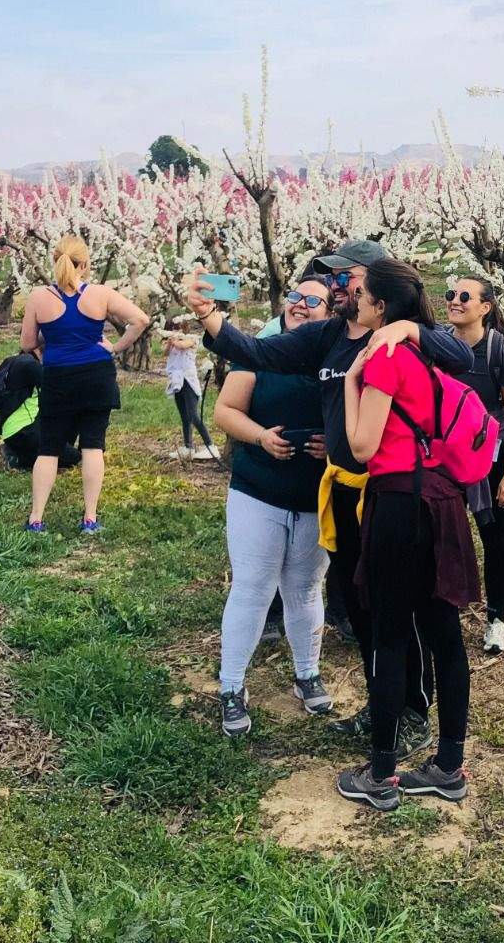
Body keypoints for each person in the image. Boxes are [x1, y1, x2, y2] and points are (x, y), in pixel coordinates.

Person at [184, 239, 473, 760]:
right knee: (362, 609)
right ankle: (382, 708)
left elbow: (462, 354)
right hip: (343, 491)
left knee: (400, 616)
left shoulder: (408, 337)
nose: (338, 285)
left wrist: (412, 328)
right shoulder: (328, 337)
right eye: (334, 278)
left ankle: (411, 713)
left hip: (393, 493)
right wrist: (209, 317)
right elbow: (257, 352)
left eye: (346, 277)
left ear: (375, 283)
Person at [335, 258, 481, 810]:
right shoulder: (420, 351)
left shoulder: (383, 356)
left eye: (361, 294)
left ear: (380, 306)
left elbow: (363, 446)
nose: (354, 300)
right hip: (441, 499)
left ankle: (380, 775)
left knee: (390, 634)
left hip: (397, 501)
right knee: (443, 631)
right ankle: (448, 765)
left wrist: (352, 381)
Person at [207, 277, 335, 737]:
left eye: (312, 300)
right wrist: (261, 436)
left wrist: (333, 446)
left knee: (305, 588)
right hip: (258, 490)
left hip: (314, 495)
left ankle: (306, 673)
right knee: (253, 587)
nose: (300, 306)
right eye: (295, 297)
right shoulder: (263, 349)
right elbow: (225, 410)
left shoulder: (337, 357)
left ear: (330, 311)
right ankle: (231, 686)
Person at [22, 236, 150, 535]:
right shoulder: (101, 293)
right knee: (93, 446)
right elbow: (141, 319)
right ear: (86, 264)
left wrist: (52, 337)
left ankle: (36, 518)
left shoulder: (39, 296)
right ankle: (90, 518)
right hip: (96, 375)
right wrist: (116, 347)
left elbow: (27, 343)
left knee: (49, 447)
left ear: (56, 261)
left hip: (58, 376)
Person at [444, 276, 504, 654]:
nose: (455, 301)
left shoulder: (500, 351)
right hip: (446, 458)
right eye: (451, 294)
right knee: (443, 535)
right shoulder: (438, 345)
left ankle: (497, 620)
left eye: (466, 296)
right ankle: (444, 609)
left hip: (493, 460)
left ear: (485, 308)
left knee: (495, 539)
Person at [165, 323, 218, 460]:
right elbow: (165, 353)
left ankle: (210, 445)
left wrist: (175, 340)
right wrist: (169, 343)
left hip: (188, 381)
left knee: (193, 415)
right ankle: (188, 446)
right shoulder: (173, 343)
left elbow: (183, 345)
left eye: (176, 329)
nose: (174, 332)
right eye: (171, 329)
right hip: (177, 381)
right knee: (185, 417)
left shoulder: (192, 339)